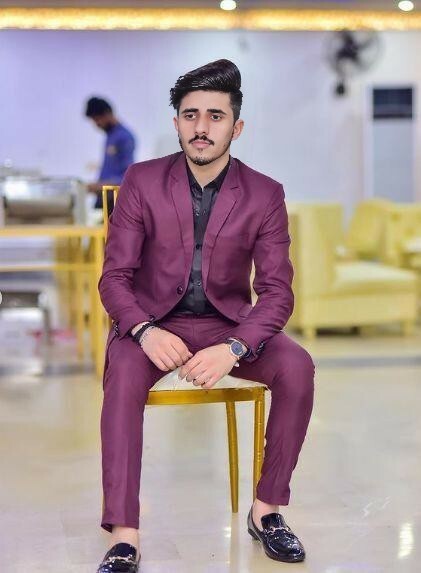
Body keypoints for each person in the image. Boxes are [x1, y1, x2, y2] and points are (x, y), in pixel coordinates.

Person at [96, 59, 315, 572]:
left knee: (297, 366)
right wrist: (144, 331)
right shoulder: (142, 180)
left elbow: (278, 293)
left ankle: (267, 511)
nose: (201, 127)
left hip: (227, 326)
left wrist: (235, 347)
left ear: (236, 127)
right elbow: (114, 278)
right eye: (190, 115)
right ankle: (124, 534)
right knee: (122, 374)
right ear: (176, 122)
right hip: (152, 323)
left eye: (215, 116)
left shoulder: (265, 193)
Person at [85, 96, 136, 208]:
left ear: (107, 114)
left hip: (115, 202)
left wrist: (98, 187)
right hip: (103, 199)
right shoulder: (110, 136)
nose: (97, 124)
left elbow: (126, 177)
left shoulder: (124, 137)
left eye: (97, 119)